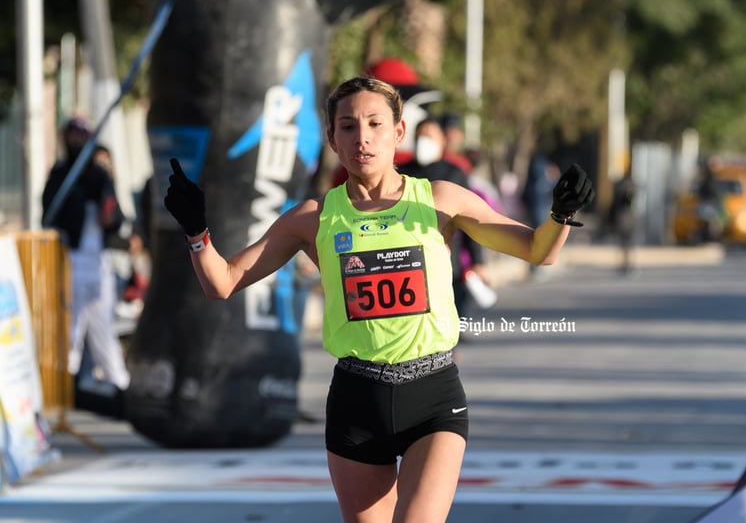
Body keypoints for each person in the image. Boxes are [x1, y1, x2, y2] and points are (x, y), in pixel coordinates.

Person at [164, 76, 594, 523]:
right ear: (332, 139)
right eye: (348, 127)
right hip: (356, 401)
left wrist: (560, 215)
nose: (362, 138)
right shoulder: (312, 219)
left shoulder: (440, 200)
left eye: (374, 124)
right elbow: (224, 282)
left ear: (399, 132)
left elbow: (536, 250)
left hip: (432, 397)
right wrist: (196, 232)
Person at [42, 119, 131, 396]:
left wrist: (109, 216)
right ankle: (65, 384)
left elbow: (114, 215)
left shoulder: (100, 176)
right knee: (71, 327)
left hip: (99, 262)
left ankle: (118, 383)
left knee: (103, 324)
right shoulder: (61, 175)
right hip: (72, 258)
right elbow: (50, 213)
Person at [397, 117, 490, 316]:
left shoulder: (455, 173)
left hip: (449, 260)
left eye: (429, 136)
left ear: (442, 140)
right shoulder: (400, 174)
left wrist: (478, 261)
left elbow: (470, 221)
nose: (424, 141)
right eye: (420, 136)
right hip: (408, 262)